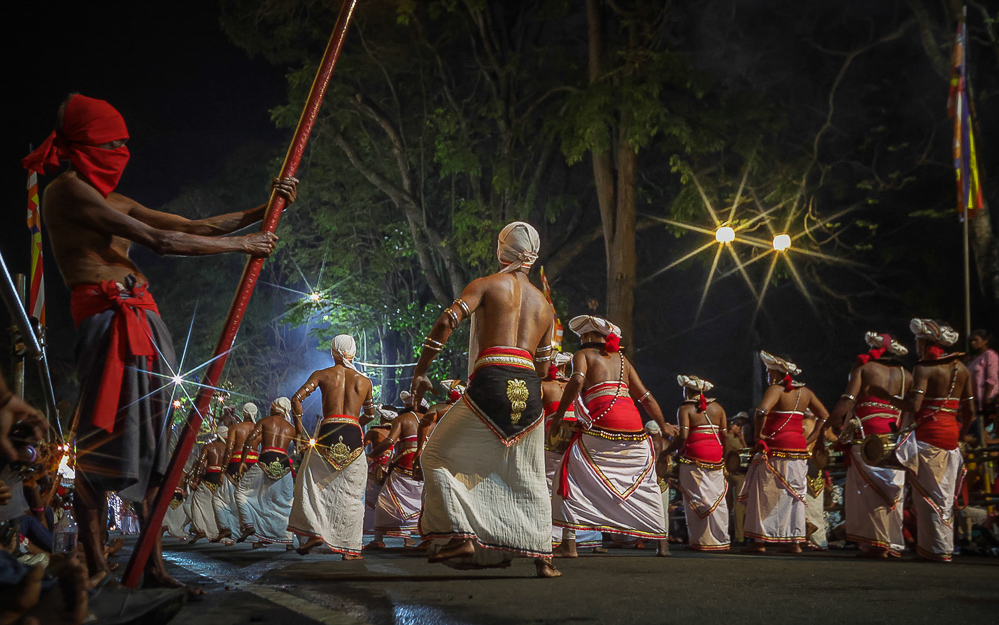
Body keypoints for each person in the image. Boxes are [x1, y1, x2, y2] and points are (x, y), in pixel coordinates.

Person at [24, 93, 296, 591]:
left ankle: (153, 567)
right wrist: (241, 246)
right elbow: (161, 242)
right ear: (84, 146)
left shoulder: (115, 199)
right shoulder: (66, 193)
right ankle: (97, 567)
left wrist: (267, 207)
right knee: (101, 441)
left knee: (152, 451)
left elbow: (195, 226)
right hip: (109, 323)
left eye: (125, 144)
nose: (122, 153)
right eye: (112, 144)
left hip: (146, 322)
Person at [409, 222, 559, 577]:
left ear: (502, 250)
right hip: (528, 390)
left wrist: (421, 371)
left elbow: (448, 320)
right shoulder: (545, 307)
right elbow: (544, 364)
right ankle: (544, 559)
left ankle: (461, 534)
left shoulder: (488, 285)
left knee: (434, 456)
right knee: (529, 472)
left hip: (491, 380)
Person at [550, 316, 673, 557]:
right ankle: (663, 544)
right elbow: (645, 397)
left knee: (566, 476)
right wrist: (663, 424)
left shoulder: (582, 356)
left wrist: (558, 418)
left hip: (603, 427)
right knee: (647, 484)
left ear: (585, 336)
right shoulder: (622, 360)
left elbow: (576, 380)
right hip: (635, 430)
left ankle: (570, 544)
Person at [288, 336, 375, 557]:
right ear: (353, 352)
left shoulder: (322, 375)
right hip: (354, 436)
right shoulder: (365, 382)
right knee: (352, 493)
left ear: (333, 352)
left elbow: (296, 398)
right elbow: (370, 415)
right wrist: (353, 425)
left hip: (327, 433)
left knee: (310, 485)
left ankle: (314, 532)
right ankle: (350, 549)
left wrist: (299, 433)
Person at [894, 319, 973, 562]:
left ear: (927, 342)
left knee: (928, 497)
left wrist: (886, 397)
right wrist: (961, 431)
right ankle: (941, 548)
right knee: (945, 497)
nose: (916, 346)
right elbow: (970, 411)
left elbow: (913, 405)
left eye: (918, 341)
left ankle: (936, 550)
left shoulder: (924, 368)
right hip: (951, 439)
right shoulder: (963, 369)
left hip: (929, 438)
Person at [828, 332, 910, 558]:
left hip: (867, 434)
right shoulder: (906, 374)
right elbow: (912, 406)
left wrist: (830, 423)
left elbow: (848, 400)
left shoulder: (864, 369)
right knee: (894, 490)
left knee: (868, 492)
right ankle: (892, 544)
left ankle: (877, 544)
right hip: (895, 434)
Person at [740, 351, 829, 553]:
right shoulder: (806, 393)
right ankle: (795, 543)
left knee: (765, 494)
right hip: (798, 449)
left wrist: (758, 435)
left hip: (775, 448)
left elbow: (762, 410)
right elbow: (824, 416)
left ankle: (760, 542)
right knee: (795, 495)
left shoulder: (776, 390)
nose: (767, 375)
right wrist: (810, 439)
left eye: (768, 371)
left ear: (775, 372)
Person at [541, 352, 602, 555]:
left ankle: (551, 538)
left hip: (551, 440)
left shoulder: (544, 385)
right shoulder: (573, 386)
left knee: (549, 488)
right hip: (575, 440)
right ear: (565, 368)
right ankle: (581, 540)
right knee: (571, 488)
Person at [666, 375, 730, 551]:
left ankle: (701, 542)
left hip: (695, 459)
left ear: (687, 390)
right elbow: (724, 436)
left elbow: (684, 437)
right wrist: (723, 455)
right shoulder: (718, 408)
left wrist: (668, 452)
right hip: (716, 460)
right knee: (717, 500)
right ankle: (720, 540)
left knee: (697, 500)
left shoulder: (685, 409)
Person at [235, 398, 298, 549]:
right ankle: (288, 541)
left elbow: (250, 439)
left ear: (274, 407)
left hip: (264, 460)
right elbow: (300, 448)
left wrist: (243, 461)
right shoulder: (291, 428)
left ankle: (249, 524)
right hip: (283, 464)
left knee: (241, 492)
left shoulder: (264, 421)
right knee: (286, 502)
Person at [367, 397, 422, 548]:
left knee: (384, 501)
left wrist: (371, 456)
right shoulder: (432, 420)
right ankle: (421, 538)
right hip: (423, 466)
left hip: (402, 465)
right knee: (421, 502)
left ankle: (378, 539)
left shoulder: (402, 420)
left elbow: (390, 442)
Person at [216, 403, 259, 540]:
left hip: (236, 463)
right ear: (255, 414)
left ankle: (227, 528)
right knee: (252, 498)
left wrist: (223, 471)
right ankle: (256, 537)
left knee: (220, 499)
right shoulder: (259, 428)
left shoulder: (235, 427)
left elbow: (229, 450)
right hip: (254, 464)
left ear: (244, 413)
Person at [188, 428, 227, 544]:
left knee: (196, 500)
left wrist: (195, 480)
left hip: (209, 478)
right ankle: (223, 532)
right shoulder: (229, 448)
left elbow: (200, 465)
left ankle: (201, 529)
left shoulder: (208, 447)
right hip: (223, 479)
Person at [363, 407, 395, 537]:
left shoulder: (373, 431)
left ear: (382, 417)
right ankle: (406, 538)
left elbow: (361, 447)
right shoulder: (398, 432)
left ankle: (378, 537)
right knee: (394, 500)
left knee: (372, 499)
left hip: (377, 468)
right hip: (394, 468)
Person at [968, 329, 998, 429]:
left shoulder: (990, 355)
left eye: (976, 340)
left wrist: (987, 397)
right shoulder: (975, 359)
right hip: (977, 401)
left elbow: (992, 377)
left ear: (985, 340)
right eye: (972, 340)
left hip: (988, 401)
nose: (973, 343)